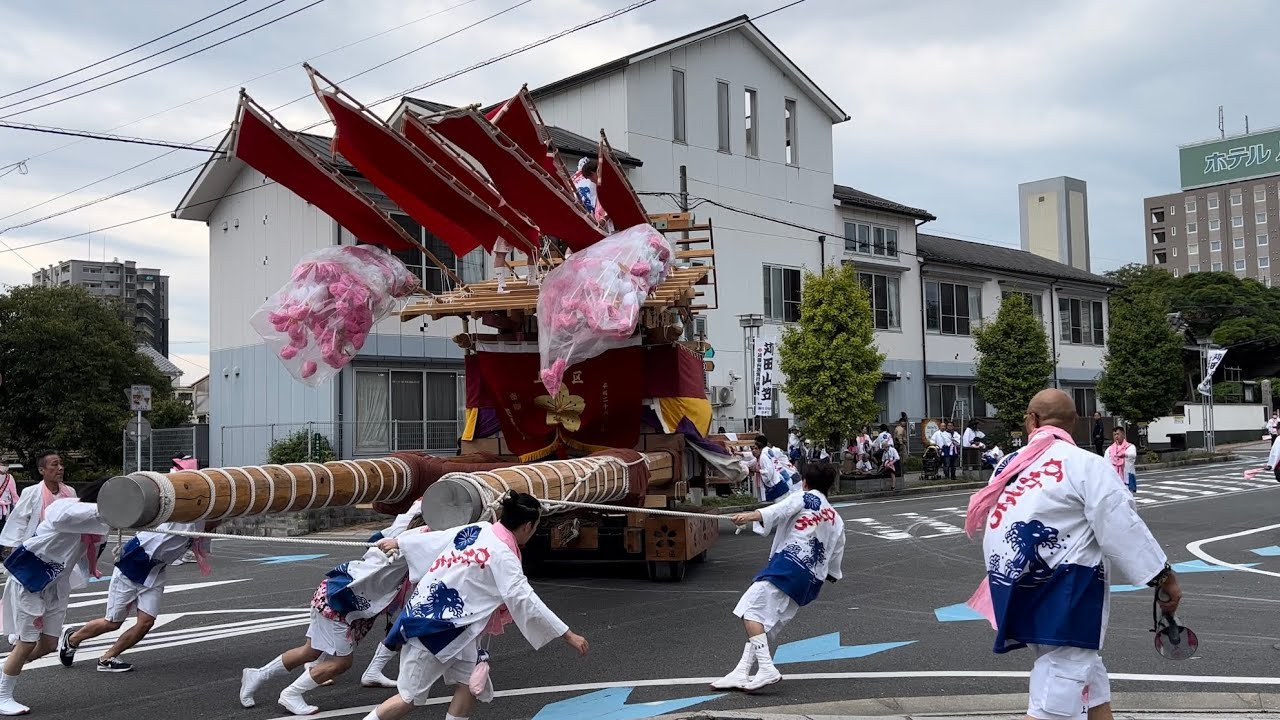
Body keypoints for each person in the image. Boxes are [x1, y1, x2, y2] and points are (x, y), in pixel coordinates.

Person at [964, 389, 1181, 720]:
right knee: (1054, 702)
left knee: (1088, 682)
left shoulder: (1009, 464)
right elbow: (1122, 527)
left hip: (1015, 587)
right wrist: (1164, 578)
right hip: (1068, 595)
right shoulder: (1086, 465)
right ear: (1075, 423)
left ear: (1032, 420)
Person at [362, 491, 590, 720]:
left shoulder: (478, 529)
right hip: (432, 628)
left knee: (469, 685)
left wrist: (399, 541)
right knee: (408, 698)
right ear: (527, 526)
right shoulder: (503, 554)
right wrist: (568, 635)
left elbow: (437, 538)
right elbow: (525, 598)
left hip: (457, 630)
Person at [239, 517, 421, 715]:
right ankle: (291, 693)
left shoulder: (394, 536)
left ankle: (257, 675)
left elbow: (401, 523)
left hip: (331, 592)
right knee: (341, 662)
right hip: (339, 602)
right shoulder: (409, 548)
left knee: (311, 651)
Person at [713, 464, 845, 691]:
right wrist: (832, 574)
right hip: (810, 580)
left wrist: (749, 516)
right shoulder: (835, 518)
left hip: (789, 566)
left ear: (805, 482)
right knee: (766, 625)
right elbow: (836, 553)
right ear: (830, 487)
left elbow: (777, 511)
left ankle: (766, 668)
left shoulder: (804, 498)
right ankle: (741, 671)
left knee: (751, 611)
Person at [0, 478, 110, 715]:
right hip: (31, 579)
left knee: (49, 644)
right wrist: (111, 507)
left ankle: (5, 670)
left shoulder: (100, 523)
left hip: (56, 585)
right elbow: (60, 516)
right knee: (27, 641)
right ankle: (3, 695)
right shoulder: (66, 506)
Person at [59, 520, 214, 672]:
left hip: (155, 571)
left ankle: (107, 658)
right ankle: (72, 639)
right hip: (132, 564)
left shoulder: (201, 530)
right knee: (112, 623)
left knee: (146, 622)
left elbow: (214, 524)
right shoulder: (183, 516)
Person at [0, 451, 76, 552]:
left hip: (63, 547)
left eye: (61, 464)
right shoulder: (31, 492)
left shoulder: (70, 492)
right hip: (37, 547)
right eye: (55, 464)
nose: (60, 468)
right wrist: (17, 547)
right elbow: (20, 520)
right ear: (41, 470)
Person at [752, 436, 797, 502]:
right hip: (783, 479)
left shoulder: (763, 456)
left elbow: (768, 473)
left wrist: (758, 470)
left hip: (778, 484)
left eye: (755, 447)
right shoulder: (769, 451)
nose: (753, 450)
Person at [1108, 427, 1138, 494]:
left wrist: (1125, 455)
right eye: (1114, 435)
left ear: (1123, 434)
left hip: (1126, 475)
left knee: (1128, 496)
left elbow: (1133, 455)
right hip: (1115, 477)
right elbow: (1106, 462)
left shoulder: (1130, 447)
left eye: (1118, 434)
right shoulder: (1110, 449)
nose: (1116, 436)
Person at [0, 465, 19, 561]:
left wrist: (17, 506)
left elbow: (14, 493)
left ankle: (0, 551)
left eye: (6, 463)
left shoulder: (9, 477)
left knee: (2, 529)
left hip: (4, 508)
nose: (4, 466)